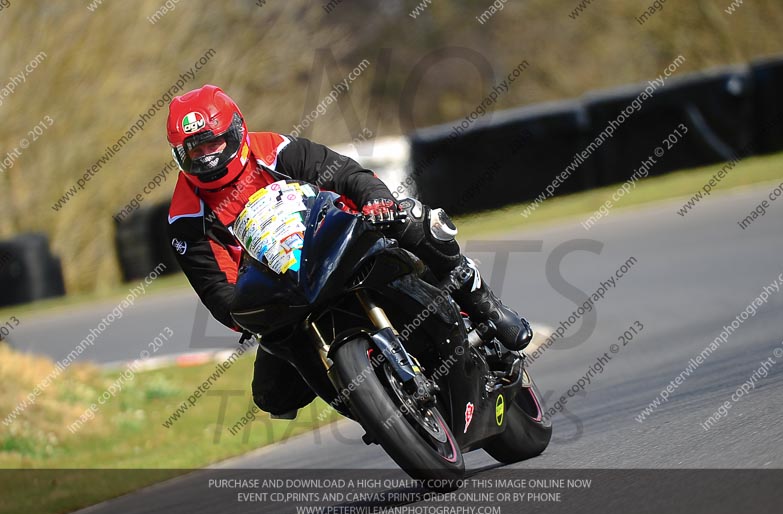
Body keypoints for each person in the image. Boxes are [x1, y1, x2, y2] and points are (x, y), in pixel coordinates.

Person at [166, 85, 531, 419]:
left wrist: (376, 201)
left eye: (213, 144)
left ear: (236, 132)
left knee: (412, 218)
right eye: (195, 151)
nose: (207, 159)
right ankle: (365, 403)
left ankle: (488, 306)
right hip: (286, 290)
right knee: (271, 396)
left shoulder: (275, 150)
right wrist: (250, 312)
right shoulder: (185, 219)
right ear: (179, 155)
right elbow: (218, 292)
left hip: (341, 240)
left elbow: (344, 174)